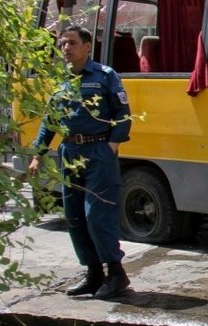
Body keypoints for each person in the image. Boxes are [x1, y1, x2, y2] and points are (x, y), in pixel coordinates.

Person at [28, 25, 133, 300]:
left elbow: (123, 112)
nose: (66, 48)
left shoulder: (105, 76)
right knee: (74, 217)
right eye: (62, 43)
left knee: (97, 216)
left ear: (88, 47)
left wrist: (112, 144)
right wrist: (38, 154)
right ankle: (93, 274)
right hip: (69, 152)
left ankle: (116, 273)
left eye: (72, 43)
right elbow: (50, 120)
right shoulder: (62, 80)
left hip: (98, 152)